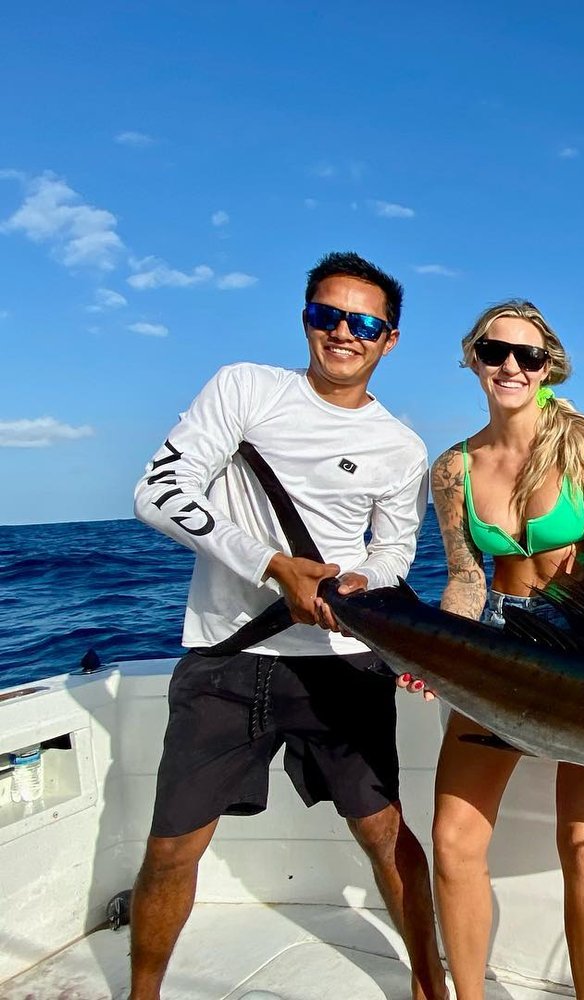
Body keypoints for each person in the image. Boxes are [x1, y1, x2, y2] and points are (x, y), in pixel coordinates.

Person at [128, 252, 448, 1000]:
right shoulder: (244, 387)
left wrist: (367, 580)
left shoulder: (401, 447)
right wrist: (271, 564)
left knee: (383, 833)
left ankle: (430, 989)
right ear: (305, 319)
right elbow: (157, 490)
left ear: (388, 339)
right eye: (326, 315)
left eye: (363, 322)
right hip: (226, 661)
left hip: (342, 661)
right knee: (173, 848)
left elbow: (395, 548)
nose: (343, 332)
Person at [423, 299, 584, 1000]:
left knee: (583, 839)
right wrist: (440, 653)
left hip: (583, 651)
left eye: (527, 356)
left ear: (548, 367)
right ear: (473, 357)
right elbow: (461, 579)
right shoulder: (451, 469)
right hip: (500, 649)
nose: (510, 366)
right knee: (452, 840)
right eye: (494, 351)